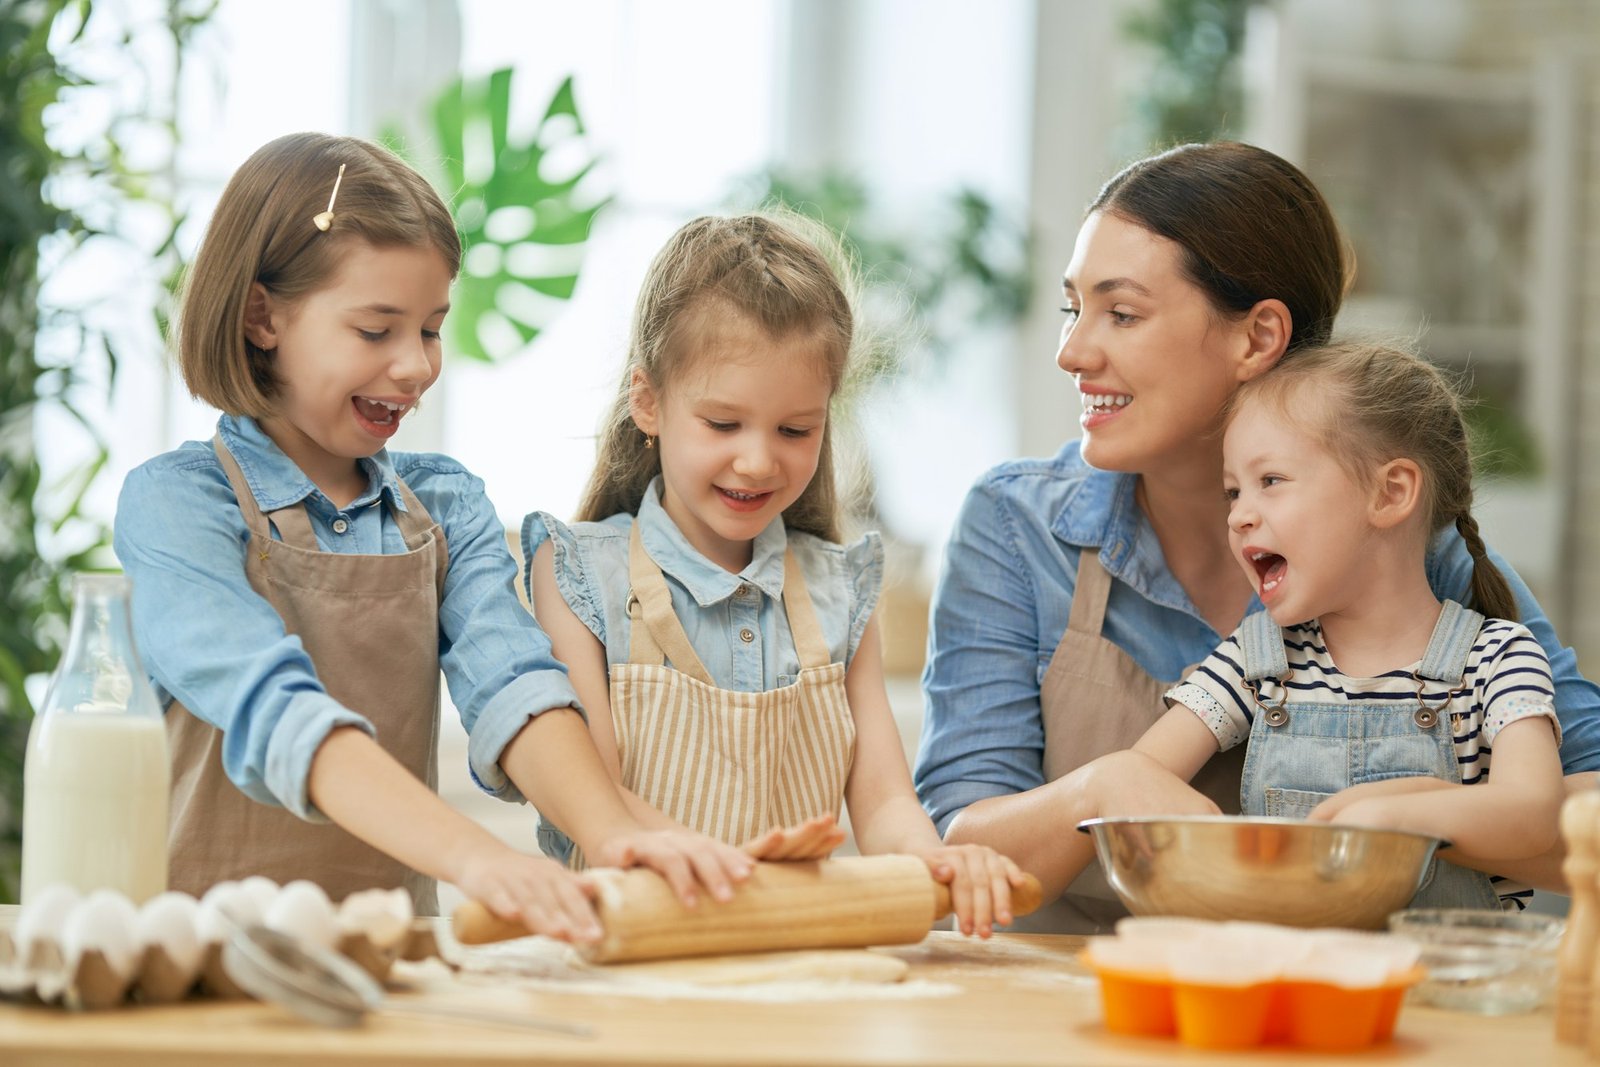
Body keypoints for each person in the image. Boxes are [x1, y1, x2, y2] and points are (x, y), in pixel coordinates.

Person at [914, 141, 1600, 932]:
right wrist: (1099, 790)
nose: (1072, 351)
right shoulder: (1015, 526)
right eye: (1074, 307)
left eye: (1122, 312)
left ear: (1258, 336)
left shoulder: (1406, 546)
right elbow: (960, 850)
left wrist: (1419, 813)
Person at [114, 133, 754, 941]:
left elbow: (516, 686)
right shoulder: (176, 505)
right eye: (377, 330)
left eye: (430, 328)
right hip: (198, 964)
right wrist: (480, 859)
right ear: (261, 315)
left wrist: (616, 833)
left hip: (394, 960)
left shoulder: (445, 504)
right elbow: (276, 711)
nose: (416, 367)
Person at [524, 212, 1027, 936]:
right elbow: (593, 795)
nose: (759, 461)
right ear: (649, 401)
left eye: (796, 429)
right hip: (631, 970)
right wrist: (736, 871)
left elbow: (884, 803)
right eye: (723, 424)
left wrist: (940, 860)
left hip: (792, 967)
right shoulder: (576, 574)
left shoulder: (840, 589)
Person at [1131, 339, 1563, 909]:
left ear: (1390, 493)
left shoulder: (1500, 660)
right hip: (1286, 979)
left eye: (1272, 481)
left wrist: (1398, 814)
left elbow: (1535, 816)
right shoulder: (1255, 661)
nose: (1238, 514)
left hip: (1449, 989)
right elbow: (1139, 776)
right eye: (1233, 491)